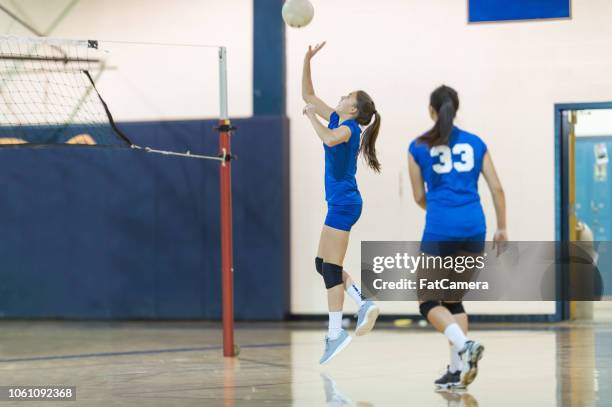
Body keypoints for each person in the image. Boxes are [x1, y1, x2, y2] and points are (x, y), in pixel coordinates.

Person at [408, 85, 508, 388]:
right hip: (474, 228)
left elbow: (417, 196)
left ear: (431, 111)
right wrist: (502, 227)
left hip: (441, 229)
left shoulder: (418, 146)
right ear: (457, 107)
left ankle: (464, 348)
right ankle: (456, 370)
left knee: (428, 301)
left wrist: (440, 210)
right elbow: (497, 189)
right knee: (453, 300)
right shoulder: (476, 143)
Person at [302, 42, 382, 364]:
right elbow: (308, 96)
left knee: (331, 267)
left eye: (348, 96)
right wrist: (306, 60)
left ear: (353, 109)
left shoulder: (347, 128)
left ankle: (335, 334)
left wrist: (311, 119)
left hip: (345, 204)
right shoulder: (338, 117)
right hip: (340, 203)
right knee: (323, 265)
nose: (343, 96)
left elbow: (329, 138)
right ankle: (363, 302)